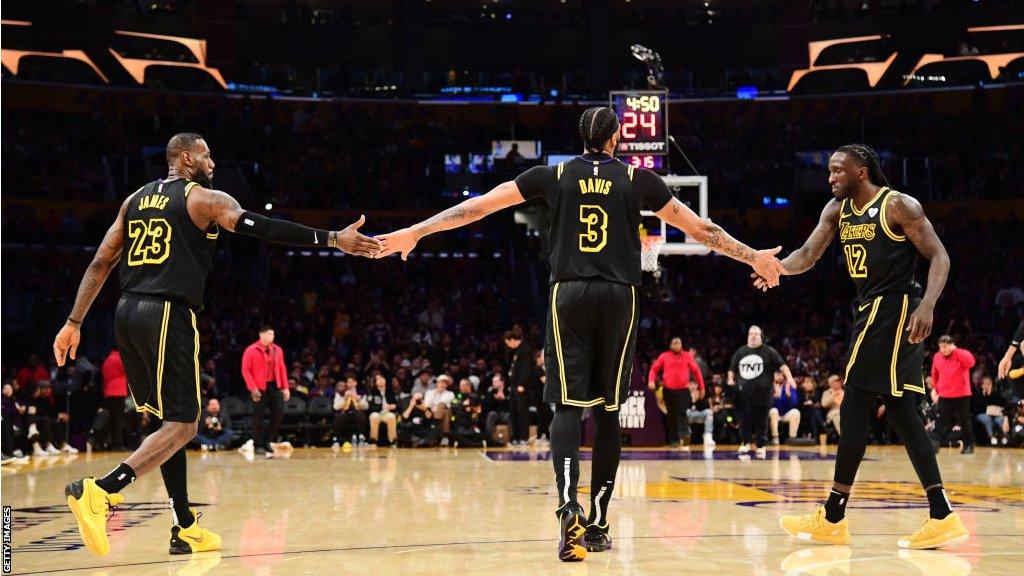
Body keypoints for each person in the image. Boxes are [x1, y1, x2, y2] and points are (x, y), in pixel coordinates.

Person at [375, 106, 784, 561]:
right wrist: (752, 256)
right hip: (619, 295)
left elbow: (477, 206)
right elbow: (702, 230)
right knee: (608, 410)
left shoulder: (554, 174)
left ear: (581, 138)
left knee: (567, 406)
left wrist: (417, 231)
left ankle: (568, 507)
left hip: (567, 293)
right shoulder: (637, 179)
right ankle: (599, 522)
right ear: (615, 139)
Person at [52, 132, 381, 557]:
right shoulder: (203, 199)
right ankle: (101, 491)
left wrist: (73, 320)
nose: (213, 160)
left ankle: (184, 525)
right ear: (186, 158)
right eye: (206, 154)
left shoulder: (132, 200)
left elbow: (100, 262)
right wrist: (334, 239)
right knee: (185, 425)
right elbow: (261, 227)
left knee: (164, 424)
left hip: (126, 312)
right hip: (168, 313)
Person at [761, 144, 968, 549]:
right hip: (870, 310)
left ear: (861, 172)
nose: (831, 177)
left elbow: (940, 256)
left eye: (838, 170)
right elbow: (806, 255)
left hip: (894, 308)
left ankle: (834, 515)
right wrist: (776, 267)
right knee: (901, 411)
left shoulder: (898, 205)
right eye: (830, 172)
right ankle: (941, 513)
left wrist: (927, 305)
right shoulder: (836, 211)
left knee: (855, 401)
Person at [728, 326, 796, 457]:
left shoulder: (768, 351)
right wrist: (730, 379)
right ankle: (745, 442)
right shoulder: (741, 351)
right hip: (744, 394)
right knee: (744, 419)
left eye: (756, 334)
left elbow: (782, 365)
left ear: (761, 336)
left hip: (763, 394)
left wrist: (790, 378)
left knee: (761, 420)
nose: (753, 336)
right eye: (751, 334)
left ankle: (760, 445)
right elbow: (732, 367)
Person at [240, 326, 291, 457]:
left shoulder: (277, 349)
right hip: (258, 387)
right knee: (258, 417)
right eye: (269, 334)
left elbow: (282, 368)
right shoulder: (251, 350)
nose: (272, 337)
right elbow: (245, 370)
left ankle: (267, 441)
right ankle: (258, 445)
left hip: (274, 386)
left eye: (273, 334)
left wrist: (285, 387)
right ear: (261, 334)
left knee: (280, 412)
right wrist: (253, 388)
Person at [647, 336, 705, 448]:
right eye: (675, 343)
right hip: (668, 390)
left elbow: (697, 372)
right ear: (670, 345)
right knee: (671, 415)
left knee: (681, 412)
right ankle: (674, 440)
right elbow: (654, 369)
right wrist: (650, 381)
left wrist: (702, 388)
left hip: (683, 390)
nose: (677, 345)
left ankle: (685, 435)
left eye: (679, 343)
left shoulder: (687, 356)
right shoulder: (664, 356)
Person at [929, 335, 977, 453]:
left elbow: (971, 362)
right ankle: (934, 445)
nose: (943, 349)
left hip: (961, 394)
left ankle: (969, 445)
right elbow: (934, 373)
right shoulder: (937, 356)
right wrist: (936, 389)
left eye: (946, 346)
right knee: (942, 420)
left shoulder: (961, 354)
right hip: (945, 394)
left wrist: (956, 350)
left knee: (964, 421)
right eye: (941, 347)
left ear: (951, 345)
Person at [505, 326, 535, 446]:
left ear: (512, 340)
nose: (508, 345)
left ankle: (523, 437)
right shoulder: (516, 351)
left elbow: (526, 369)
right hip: (513, 386)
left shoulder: (525, 350)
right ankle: (515, 437)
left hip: (520, 387)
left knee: (522, 412)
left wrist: (522, 383)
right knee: (513, 412)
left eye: (508, 343)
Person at [101, 348, 128, 451]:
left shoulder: (106, 360)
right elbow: (127, 369)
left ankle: (113, 443)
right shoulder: (119, 358)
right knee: (119, 420)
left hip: (109, 392)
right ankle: (118, 444)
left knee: (112, 419)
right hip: (119, 391)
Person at [332, 378, 369, 447]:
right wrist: (344, 399)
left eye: (352, 382)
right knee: (339, 417)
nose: (350, 384)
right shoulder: (340, 393)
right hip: (345, 413)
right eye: (348, 382)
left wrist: (358, 400)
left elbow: (366, 407)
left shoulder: (361, 392)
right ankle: (336, 439)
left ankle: (361, 437)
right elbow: (335, 407)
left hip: (357, 412)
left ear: (356, 383)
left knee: (361, 416)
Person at [973, 376, 1008, 446]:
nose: (987, 385)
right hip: (981, 414)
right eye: (985, 383)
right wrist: (984, 395)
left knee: (1001, 419)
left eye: (989, 383)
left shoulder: (996, 394)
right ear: (981, 385)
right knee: (987, 418)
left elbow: (1003, 404)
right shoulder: (978, 394)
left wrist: (989, 394)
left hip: (996, 415)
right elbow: (977, 408)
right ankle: (991, 437)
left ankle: (1005, 437)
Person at [365, 373, 398, 446]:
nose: (380, 381)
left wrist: (393, 406)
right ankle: (373, 440)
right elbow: (370, 407)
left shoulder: (390, 391)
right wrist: (381, 407)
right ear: (375, 382)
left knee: (391, 417)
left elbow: (396, 403)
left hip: (387, 413)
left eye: (382, 378)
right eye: (378, 379)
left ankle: (392, 440)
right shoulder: (372, 392)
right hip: (377, 412)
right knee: (374, 417)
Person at [769, 377, 802, 444]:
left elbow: (794, 403)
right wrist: (775, 397)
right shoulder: (769, 387)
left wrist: (789, 395)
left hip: (785, 414)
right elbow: (766, 404)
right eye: (778, 374)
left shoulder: (789, 387)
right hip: (774, 414)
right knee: (773, 411)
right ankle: (775, 437)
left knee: (796, 412)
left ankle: (792, 438)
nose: (780, 377)